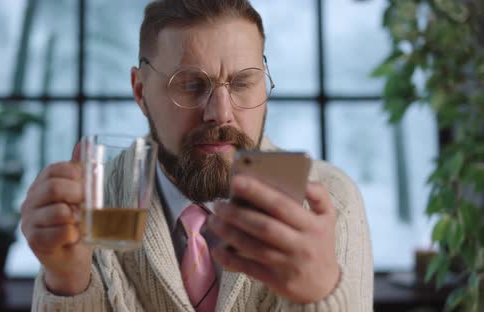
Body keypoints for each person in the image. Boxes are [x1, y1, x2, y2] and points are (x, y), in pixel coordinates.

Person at [20, 0, 374, 311]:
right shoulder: (88, 205)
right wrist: (67, 279)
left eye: (241, 83)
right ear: (141, 91)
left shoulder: (330, 202)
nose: (220, 114)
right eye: (190, 84)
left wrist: (320, 295)